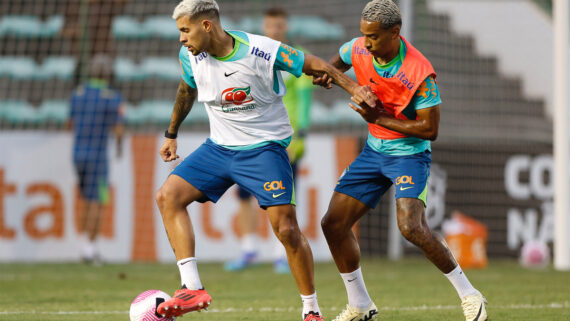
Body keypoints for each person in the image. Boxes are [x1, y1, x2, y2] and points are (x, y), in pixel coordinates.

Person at [154, 1, 377, 320]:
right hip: (219, 148)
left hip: (264, 149)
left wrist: (354, 88)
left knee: (286, 229)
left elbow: (313, 64)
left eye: (185, 30)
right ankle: (192, 287)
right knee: (167, 197)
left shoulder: (261, 50)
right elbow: (186, 90)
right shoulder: (189, 56)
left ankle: (311, 310)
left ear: (206, 26)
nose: (181, 38)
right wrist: (171, 132)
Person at [315, 1, 488, 321]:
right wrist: (330, 74)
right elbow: (337, 62)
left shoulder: (419, 73)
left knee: (411, 227)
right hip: (373, 152)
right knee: (333, 224)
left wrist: (377, 116)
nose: (366, 43)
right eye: (364, 35)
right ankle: (361, 305)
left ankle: (470, 295)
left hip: (409, 155)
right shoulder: (359, 47)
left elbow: (430, 129)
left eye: (374, 37)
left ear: (395, 33)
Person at [224, 6, 315, 274]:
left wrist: (299, 139)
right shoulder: (253, 56)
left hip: (286, 140)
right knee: (243, 193)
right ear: (264, 27)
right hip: (253, 136)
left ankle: (281, 254)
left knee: (284, 196)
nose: (274, 30)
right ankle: (249, 248)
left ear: (285, 27)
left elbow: (306, 102)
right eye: (270, 26)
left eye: (278, 26)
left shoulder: (296, 59)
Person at [68, 55, 124, 264]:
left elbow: (70, 122)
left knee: (85, 199)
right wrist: (119, 148)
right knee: (98, 201)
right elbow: (118, 129)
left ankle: (85, 245)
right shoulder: (112, 97)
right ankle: (89, 249)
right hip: (97, 155)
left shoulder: (78, 93)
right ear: (108, 73)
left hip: (78, 153)